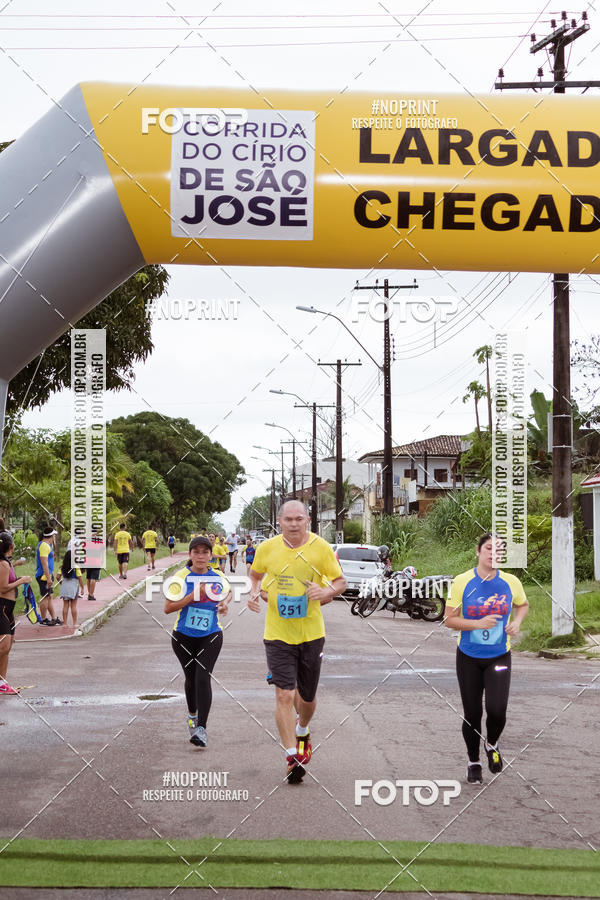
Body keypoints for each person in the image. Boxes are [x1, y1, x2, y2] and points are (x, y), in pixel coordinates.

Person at [248, 500, 346, 784]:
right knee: (284, 695)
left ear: (308, 520)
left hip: (311, 634)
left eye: (298, 519)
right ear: (279, 521)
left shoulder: (321, 548)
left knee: (307, 699)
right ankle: (292, 756)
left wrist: (325, 590)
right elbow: (255, 576)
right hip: (277, 634)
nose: (293, 523)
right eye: (288, 519)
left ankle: (303, 728)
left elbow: (340, 582)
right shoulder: (267, 549)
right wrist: (254, 592)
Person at [445, 532, 529, 785]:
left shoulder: (511, 582)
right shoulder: (462, 582)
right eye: (489, 548)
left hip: (499, 655)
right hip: (468, 656)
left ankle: (492, 744)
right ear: (479, 552)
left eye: (499, 550)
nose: (494, 554)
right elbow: (449, 619)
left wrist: (516, 622)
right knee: (472, 714)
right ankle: (473, 762)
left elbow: (522, 605)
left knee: (497, 711)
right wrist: (476, 623)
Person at [165, 535, 232, 747]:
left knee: (203, 678)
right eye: (197, 552)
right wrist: (193, 595)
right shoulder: (181, 576)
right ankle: (192, 716)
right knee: (191, 679)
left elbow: (227, 594)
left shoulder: (217, 576)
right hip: (183, 636)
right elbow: (168, 608)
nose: (201, 556)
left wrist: (223, 604)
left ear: (211, 555)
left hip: (211, 635)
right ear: (190, 554)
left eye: (205, 552)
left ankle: (201, 729)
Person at [0, 523, 32, 694]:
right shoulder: (3, 564)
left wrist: (19, 578)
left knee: (8, 646)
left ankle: (2, 683)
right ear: (11, 546)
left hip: (9, 608)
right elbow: (3, 588)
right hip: (2, 607)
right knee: (3, 646)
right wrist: (22, 581)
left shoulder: (7, 563)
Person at [35, 525, 61, 625]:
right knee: (45, 596)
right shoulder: (44, 546)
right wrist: (48, 578)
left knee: (49, 596)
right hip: (43, 576)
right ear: (51, 536)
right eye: (54, 535)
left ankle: (53, 618)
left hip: (47, 575)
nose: (54, 537)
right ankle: (43, 619)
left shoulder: (46, 545)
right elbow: (44, 563)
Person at [57, 549, 81, 629]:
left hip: (65, 586)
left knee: (65, 605)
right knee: (73, 606)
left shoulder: (62, 567)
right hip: (74, 586)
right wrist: (82, 587)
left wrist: (61, 583)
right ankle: (74, 623)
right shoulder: (76, 567)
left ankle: (65, 623)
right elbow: (79, 578)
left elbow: (58, 577)